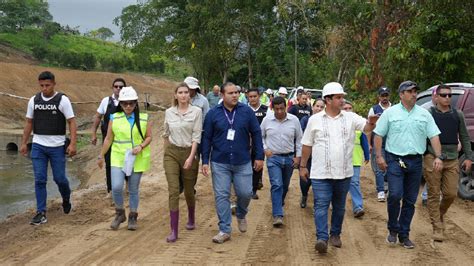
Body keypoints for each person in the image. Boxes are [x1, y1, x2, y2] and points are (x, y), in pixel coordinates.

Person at [299, 82, 378, 254]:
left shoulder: (350, 117)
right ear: (327, 100)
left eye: (342, 97)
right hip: (320, 173)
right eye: (338, 97)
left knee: (339, 206)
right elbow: (306, 145)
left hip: (344, 173)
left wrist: (372, 123)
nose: (342, 100)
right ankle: (322, 238)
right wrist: (303, 165)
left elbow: (366, 127)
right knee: (320, 205)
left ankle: (335, 234)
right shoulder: (314, 120)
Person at [374, 80, 443, 249]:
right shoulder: (390, 113)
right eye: (410, 91)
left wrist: (439, 156)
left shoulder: (424, 114)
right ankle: (393, 229)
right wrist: (379, 156)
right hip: (395, 160)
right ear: (401, 94)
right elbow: (378, 134)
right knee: (395, 194)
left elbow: (434, 136)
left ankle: (404, 234)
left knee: (410, 200)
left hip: (415, 161)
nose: (414, 94)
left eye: (415, 91)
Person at [201, 82, 264, 244]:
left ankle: (242, 213)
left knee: (245, 193)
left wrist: (259, 156)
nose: (235, 95)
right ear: (222, 95)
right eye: (231, 93)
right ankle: (224, 229)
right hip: (219, 161)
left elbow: (256, 134)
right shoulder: (213, 114)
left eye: (236, 92)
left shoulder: (246, 112)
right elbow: (206, 138)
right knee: (222, 195)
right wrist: (205, 160)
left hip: (242, 161)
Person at [20, 71, 77, 225]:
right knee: (40, 179)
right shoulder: (34, 100)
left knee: (60, 179)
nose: (44, 88)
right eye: (42, 85)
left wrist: (72, 143)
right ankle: (41, 212)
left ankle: (66, 198)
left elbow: (71, 122)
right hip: (38, 146)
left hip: (57, 147)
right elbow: (29, 122)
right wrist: (24, 142)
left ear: (53, 84)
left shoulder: (62, 100)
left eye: (47, 85)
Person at [97, 86, 152, 231]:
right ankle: (120, 213)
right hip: (118, 156)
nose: (128, 106)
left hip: (137, 157)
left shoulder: (144, 118)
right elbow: (108, 138)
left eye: (131, 103)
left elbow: (149, 137)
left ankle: (133, 216)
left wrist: (140, 146)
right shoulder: (114, 118)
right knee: (116, 187)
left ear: (136, 103)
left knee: (133, 189)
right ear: (120, 104)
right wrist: (101, 155)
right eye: (124, 103)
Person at [423, 84, 472, 242]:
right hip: (432, 156)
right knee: (433, 193)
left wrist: (469, 157)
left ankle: (440, 214)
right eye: (444, 95)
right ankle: (437, 227)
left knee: (451, 193)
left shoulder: (458, 114)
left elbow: (464, 136)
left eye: (449, 95)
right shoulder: (429, 114)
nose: (447, 98)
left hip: (452, 158)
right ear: (436, 97)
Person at [163, 83, 202, 242]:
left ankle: (191, 218)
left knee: (188, 190)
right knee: (173, 190)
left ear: (189, 95)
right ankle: (174, 231)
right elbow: (165, 134)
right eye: (180, 92)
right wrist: (166, 153)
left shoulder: (197, 112)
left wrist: (191, 157)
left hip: (189, 152)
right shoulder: (168, 112)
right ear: (175, 95)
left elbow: (196, 136)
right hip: (171, 152)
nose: (184, 95)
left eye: (186, 92)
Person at [261, 96, 302, 227]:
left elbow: (299, 139)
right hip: (274, 158)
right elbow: (260, 136)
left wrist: (298, 156)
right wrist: (265, 149)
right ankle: (278, 214)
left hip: (289, 157)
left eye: (282, 108)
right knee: (277, 184)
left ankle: (279, 201)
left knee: (284, 185)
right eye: (276, 109)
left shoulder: (294, 120)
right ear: (272, 108)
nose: (279, 111)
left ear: (286, 107)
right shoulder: (267, 121)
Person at [91, 78, 126, 195]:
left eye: (121, 87)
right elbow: (98, 117)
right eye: (116, 86)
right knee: (109, 164)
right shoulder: (106, 101)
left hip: (124, 139)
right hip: (108, 138)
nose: (118, 89)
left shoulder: (128, 102)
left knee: (125, 163)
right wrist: (93, 133)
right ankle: (110, 190)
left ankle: (128, 187)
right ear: (112, 87)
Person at [343, 101, 370, 218]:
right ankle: (335, 203)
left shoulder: (358, 125)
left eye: (350, 108)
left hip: (355, 160)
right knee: (338, 183)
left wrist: (367, 155)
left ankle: (358, 207)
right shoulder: (337, 123)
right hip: (340, 160)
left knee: (354, 183)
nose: (348, 110)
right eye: (345, 108)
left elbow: (364, 141)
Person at [299, 98, 325, 209]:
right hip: (308, 156)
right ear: (312, 107)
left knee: (319, 182)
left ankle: (318, 203)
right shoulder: (306, 120)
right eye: (317, 106)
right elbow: (301, 136)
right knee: (305, 180)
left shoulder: (327, 122)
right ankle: (304, 195)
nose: (319, 109)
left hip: (321, 157)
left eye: (321, 107)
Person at [368, 86, 392, 202]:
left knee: (391, 165)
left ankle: (387, 187)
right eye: (382, 95)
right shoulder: (374, 109)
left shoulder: (394, 108)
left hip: (392, 141)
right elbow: (369, 127)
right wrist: (369, 144)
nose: (384, 98)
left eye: (386, 95)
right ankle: (381, 190)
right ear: (379, 97)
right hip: (378, 141)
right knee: (379, 166)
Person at [247, 88, 268, 198]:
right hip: (245, 142)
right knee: (246, 165)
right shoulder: (244, 109)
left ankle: (254, 189)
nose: (253, 98)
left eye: (255, 96)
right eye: (250, 97)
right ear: (247, 97)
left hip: (259, 141)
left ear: (259, 96)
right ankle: (246, 187)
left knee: (257, 165)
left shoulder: (266, 110)